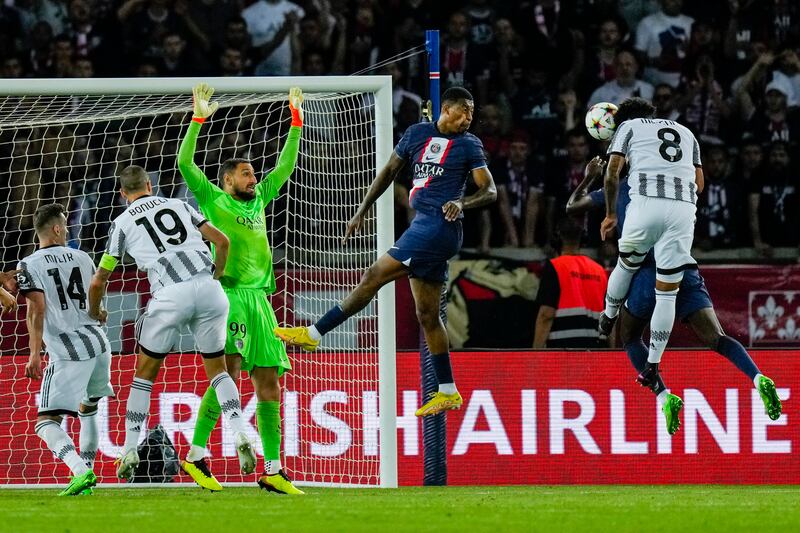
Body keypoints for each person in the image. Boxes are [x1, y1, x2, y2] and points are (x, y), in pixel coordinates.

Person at [275, 87, 497, 417]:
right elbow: (390, 172)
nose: (469, 118)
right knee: (427, 315)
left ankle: (312, 333)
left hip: (437, 228)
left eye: (472, 113)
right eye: (465, 110)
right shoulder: (417, 134)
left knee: (373, 276)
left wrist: (461, 202)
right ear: (447, 109)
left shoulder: (469, 145)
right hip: (425, 226)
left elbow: (489, 190)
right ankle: (448, 390)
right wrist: (362, 210)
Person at [568, 159, 783, 435]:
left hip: (647, 271)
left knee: (630, 337)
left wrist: (589, 177)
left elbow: (572, 206)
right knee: (718, 338)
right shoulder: (677, 186)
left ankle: (663, 395)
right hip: (685, 268)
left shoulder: (622, 188)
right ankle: (758, 377)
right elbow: (699, 187)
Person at [87, 166, 257, 483]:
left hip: (169, 295)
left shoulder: (122, 223)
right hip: (209, 291)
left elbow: (99, 280)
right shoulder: (179, 205)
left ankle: (129, 448)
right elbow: (222, 242)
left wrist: (95, 310)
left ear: (123, 194)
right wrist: (216, 276)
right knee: (218, 370)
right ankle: (239, 431)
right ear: (150, 186)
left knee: (144, 375)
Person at [175, 83, 305, 495]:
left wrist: (296, 121)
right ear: (228, 179)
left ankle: (273, 469)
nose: (254, 177)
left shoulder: (261, 199)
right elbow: (183, 163)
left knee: (269, 382)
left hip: (261, 302)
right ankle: (196, 454)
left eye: (253, 173)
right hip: (228, 296)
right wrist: (197, 119)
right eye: (246, 173)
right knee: (227, 376)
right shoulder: (213, 199)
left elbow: (284, 166)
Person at [599, 97, 703, 393]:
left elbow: (612, 173)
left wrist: (610, 214)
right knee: (667, 294)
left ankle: (607, 318)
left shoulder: (628, 127)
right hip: (683, 210)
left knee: (626, 264)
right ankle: (653, 365)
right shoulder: (687, 132)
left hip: (646, 203)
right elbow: (700, 183)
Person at [18, 203, 114, 496]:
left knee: (46, 422)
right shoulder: (83, 257)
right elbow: (96, 296)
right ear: (57, 229)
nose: (68, 230)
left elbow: (36, 308)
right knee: (88, 409)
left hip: (68, 351)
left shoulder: (29, 263)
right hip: (99, 344)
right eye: (66, 226)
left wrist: (34, 353)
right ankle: (87, 476)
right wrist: (98, 312)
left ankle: (80, 470)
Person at [533, 216, 607, 348]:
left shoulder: (555, 267)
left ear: (557, 239)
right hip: (596, 352)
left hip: (564, 350)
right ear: (582, 239)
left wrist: (535, 354)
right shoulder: (599, 270)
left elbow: (546, 315)